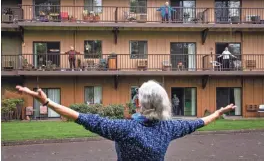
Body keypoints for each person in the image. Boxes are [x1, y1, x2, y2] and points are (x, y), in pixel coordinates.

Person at [16, 80, 236, 161]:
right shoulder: (170, 127)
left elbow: (81, 117)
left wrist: (48, 103)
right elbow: (198, 122)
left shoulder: (125, 129)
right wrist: (217, 113)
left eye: (137, 96)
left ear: (139, 104)